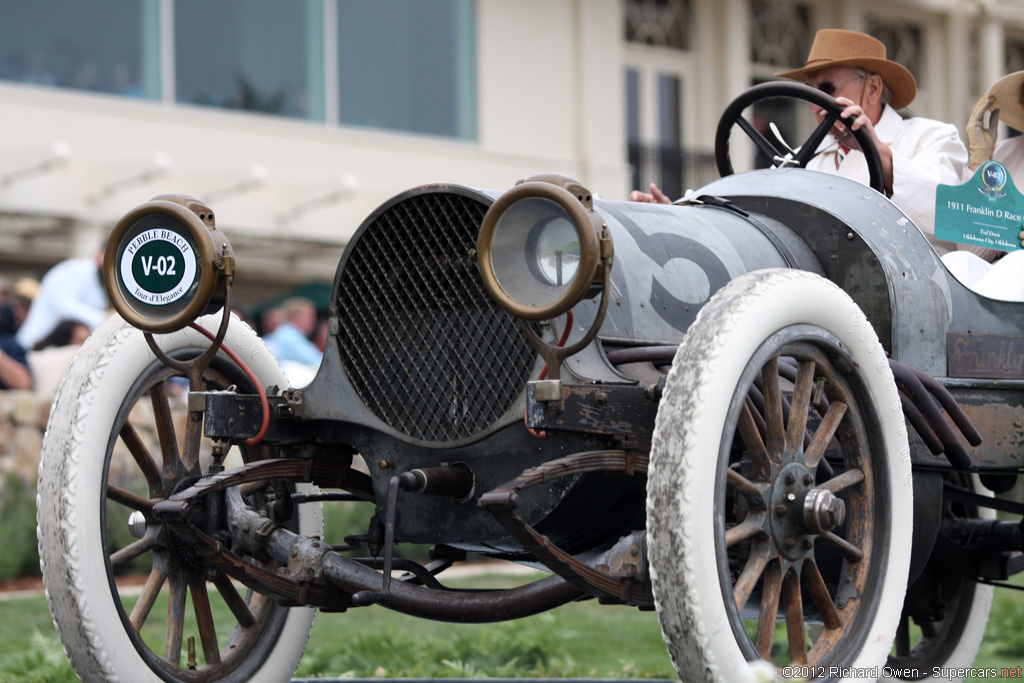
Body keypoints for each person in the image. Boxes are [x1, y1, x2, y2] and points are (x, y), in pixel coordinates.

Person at [632, 29, 968, 255]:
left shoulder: (932, 137)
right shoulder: (812, 162)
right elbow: (754, 213)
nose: (814, 106)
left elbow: (953, 222)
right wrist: (680, 214)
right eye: (810, 93)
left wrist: (883, 159)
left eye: (827, 91)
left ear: (874, 89)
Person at [15, 248, 108, 353]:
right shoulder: (75, 270)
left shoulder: (100, 280)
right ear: (99, 253)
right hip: (35, 349)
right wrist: (103, 318)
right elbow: (62, 305)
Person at [263, 297, 322, 387]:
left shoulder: (292, 334)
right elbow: (317, 362)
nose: (314, 320)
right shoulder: (287, 335)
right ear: (297, 316)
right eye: (310, 315)